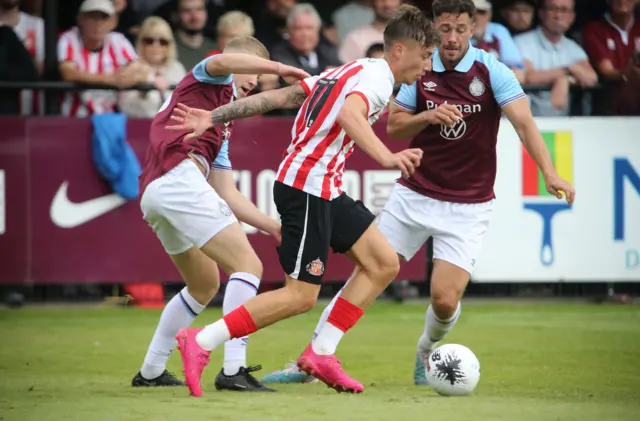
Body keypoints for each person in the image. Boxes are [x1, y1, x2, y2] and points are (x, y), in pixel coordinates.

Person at [260, 0, 576, 387]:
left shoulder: (493, 72)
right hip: (414, 195)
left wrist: (550, 172)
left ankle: (427, 347)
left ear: (473, 28)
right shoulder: (419, 70)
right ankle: (313, 358)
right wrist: (428, 115)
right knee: (370, 269)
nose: (452, 37)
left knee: (444, 298)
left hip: (469, 204)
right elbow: (394, 128)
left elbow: (525, 124)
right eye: (445, 28)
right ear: (434, 27)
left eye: (461, 28)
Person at [165, 4, 439, 396]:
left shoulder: (346, 70)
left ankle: (321, 353)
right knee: (300, 295)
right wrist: (387, 157)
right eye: (425, 55)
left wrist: (216, 115)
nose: (427, 66)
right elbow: (349, 114)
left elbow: (280, 97)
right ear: (399, 51)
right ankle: (201, 341)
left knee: (382, 263)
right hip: (306, 187)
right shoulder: (377, 77)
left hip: (323, 187)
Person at [131, 35, 310, 392]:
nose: (254, 84)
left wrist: (270, 225)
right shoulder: (209, 76)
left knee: (203, 285)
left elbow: (226, 191)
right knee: (248, 267)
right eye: (253, 75)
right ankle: (233, 369)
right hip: (177, 179)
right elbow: (223, 62)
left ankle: (150, 371)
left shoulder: (221, 125)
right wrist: (278, 67)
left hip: (157, 192)